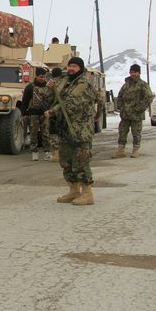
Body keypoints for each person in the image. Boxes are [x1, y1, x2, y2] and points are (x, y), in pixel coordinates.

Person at [45, 57, 100, 205]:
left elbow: (71, 103)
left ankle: (88, 194)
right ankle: (74, 190)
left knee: (81, 161)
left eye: (74, 66)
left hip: (80, 130)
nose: (71, 69)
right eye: (69, 66)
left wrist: (53, 111)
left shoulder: (84, 84)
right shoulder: (65, 82)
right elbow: (52, 98)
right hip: (66, 129)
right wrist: (50, 88)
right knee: (66, 161)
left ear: (80, 68)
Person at [112, 64, 154, 158]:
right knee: (122, 132)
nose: (133, 74)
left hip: (136, 115)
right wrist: (120, 106)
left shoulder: (142, 85)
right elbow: (120, 96)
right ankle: (120, 150)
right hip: (125, 114)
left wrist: (139, 108)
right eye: (131, 72)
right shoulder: (126, 84)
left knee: (136, 133)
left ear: (139, 73)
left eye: (135, 72)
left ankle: (135, 150)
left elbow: (148, 97)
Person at [21, 67, 54, 161]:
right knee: (33, 133)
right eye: (41, 77)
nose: (43, 78)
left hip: (45, 113)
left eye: (44, 77)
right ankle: (34, 152)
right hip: (33, 113)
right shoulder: (30, 87)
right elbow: (25, 101)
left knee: (46, 133)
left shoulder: (48, 87)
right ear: (36, 76)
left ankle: (47, 152)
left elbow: (51, 99)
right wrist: (24, 114)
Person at [47, 67, 64, 161]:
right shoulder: (65, 83)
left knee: (53, 132)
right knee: (62, 132)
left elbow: (48, 97)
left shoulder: (51, 83)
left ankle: (55, 154)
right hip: (64, 110)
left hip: (53, 111)